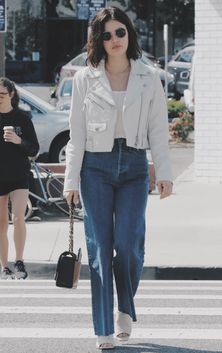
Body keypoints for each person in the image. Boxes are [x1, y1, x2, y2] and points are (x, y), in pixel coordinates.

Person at [64, 6, 173, 350]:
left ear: (129, 34)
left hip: (134, 166)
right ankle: (104, 329)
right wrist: (70, 181)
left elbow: (159, 128)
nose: (114, 40)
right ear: (98, 40)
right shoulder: (84, 78)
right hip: (94, 167)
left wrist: (165, 173)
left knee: (128, 247)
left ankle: (126, 307)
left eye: (120, 32)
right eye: (106, 34)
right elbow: (76, 135)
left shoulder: (148, 76)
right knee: (99, 252)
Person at [0, 78, 39, 280]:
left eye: (2, 95)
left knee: (18, 218)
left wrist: (18, 140)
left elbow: (34, 149)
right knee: (1, 223)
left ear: (11, 95)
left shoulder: (22, 118)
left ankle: (20, 261)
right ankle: (4, 265)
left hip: (19, 175)